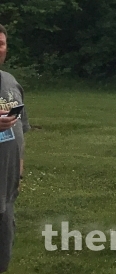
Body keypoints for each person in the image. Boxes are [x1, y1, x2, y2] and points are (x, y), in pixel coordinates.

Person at [0, 26, 27, 273]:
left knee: (3, 246)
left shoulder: (10, 82)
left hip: (7, 185)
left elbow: (21, 130)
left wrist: (19, 171)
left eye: (1, 43)